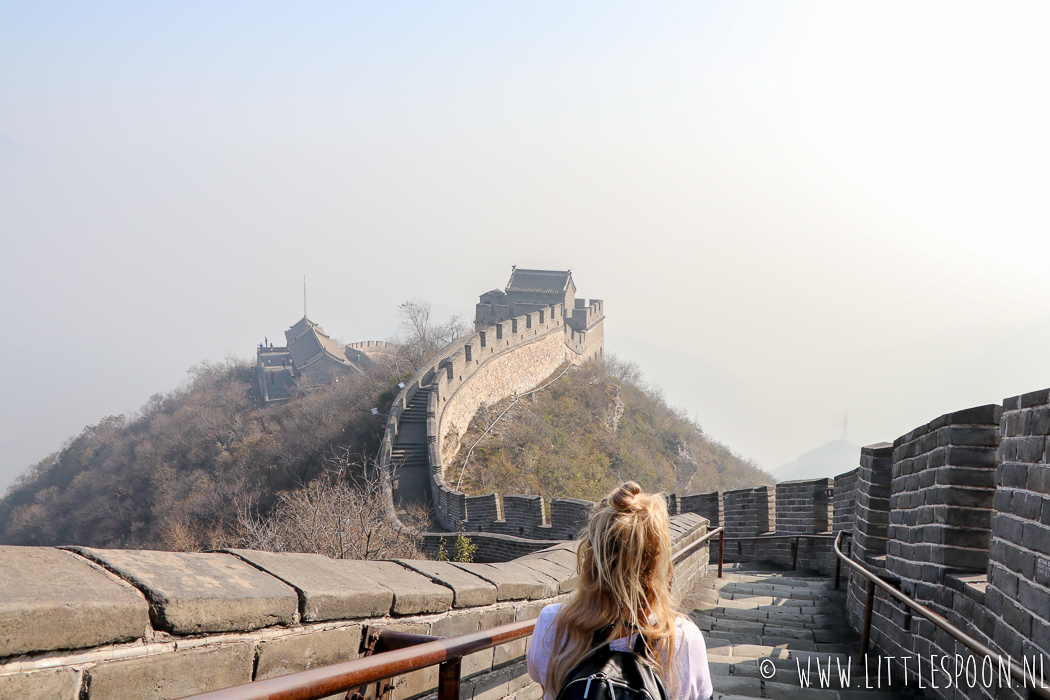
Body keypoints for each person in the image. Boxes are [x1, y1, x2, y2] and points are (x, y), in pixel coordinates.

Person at [527, 482, 713, 700]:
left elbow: (546, 686)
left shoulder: (552, 625)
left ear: (591, 558)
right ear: (659, 562)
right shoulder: (681, 640)